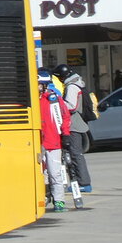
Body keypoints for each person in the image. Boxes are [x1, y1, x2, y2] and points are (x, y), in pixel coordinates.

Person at [53, 64, 92, 193]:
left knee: (76, 154)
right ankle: (82, 182)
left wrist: (57, 102)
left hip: (74, 125)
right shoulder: (77, 83)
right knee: (76, 154)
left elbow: (71, 106)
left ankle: (83, 183)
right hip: (77, 123)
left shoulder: (72, 87)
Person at [38, 70, 72, 212]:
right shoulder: (32, 101)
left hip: (53, 142)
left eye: (39, 84)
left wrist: (66, 134)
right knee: (40, 174)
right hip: (36, 143)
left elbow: (65, 117)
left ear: (45, 85)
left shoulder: (53, 99)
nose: (37, 87)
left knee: (55, 173)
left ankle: (59, 201)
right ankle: (43, 197)